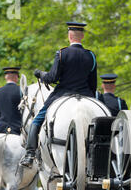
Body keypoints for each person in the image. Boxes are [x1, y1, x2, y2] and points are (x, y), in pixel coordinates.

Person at [19, 21, 97, 168]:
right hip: (86, 94)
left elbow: (52, 78)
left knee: (37, 120)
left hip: (63, 93)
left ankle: (29, 154)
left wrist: (40, 74)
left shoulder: (62, 53)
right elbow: (93, 83)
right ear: (83, 36)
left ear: (69, 36)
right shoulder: (91, 56)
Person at [0, 67, 23, 135]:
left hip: (1, 129)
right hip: (18, 130)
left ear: (6, 77)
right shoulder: (22, 90)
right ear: (16, 77)